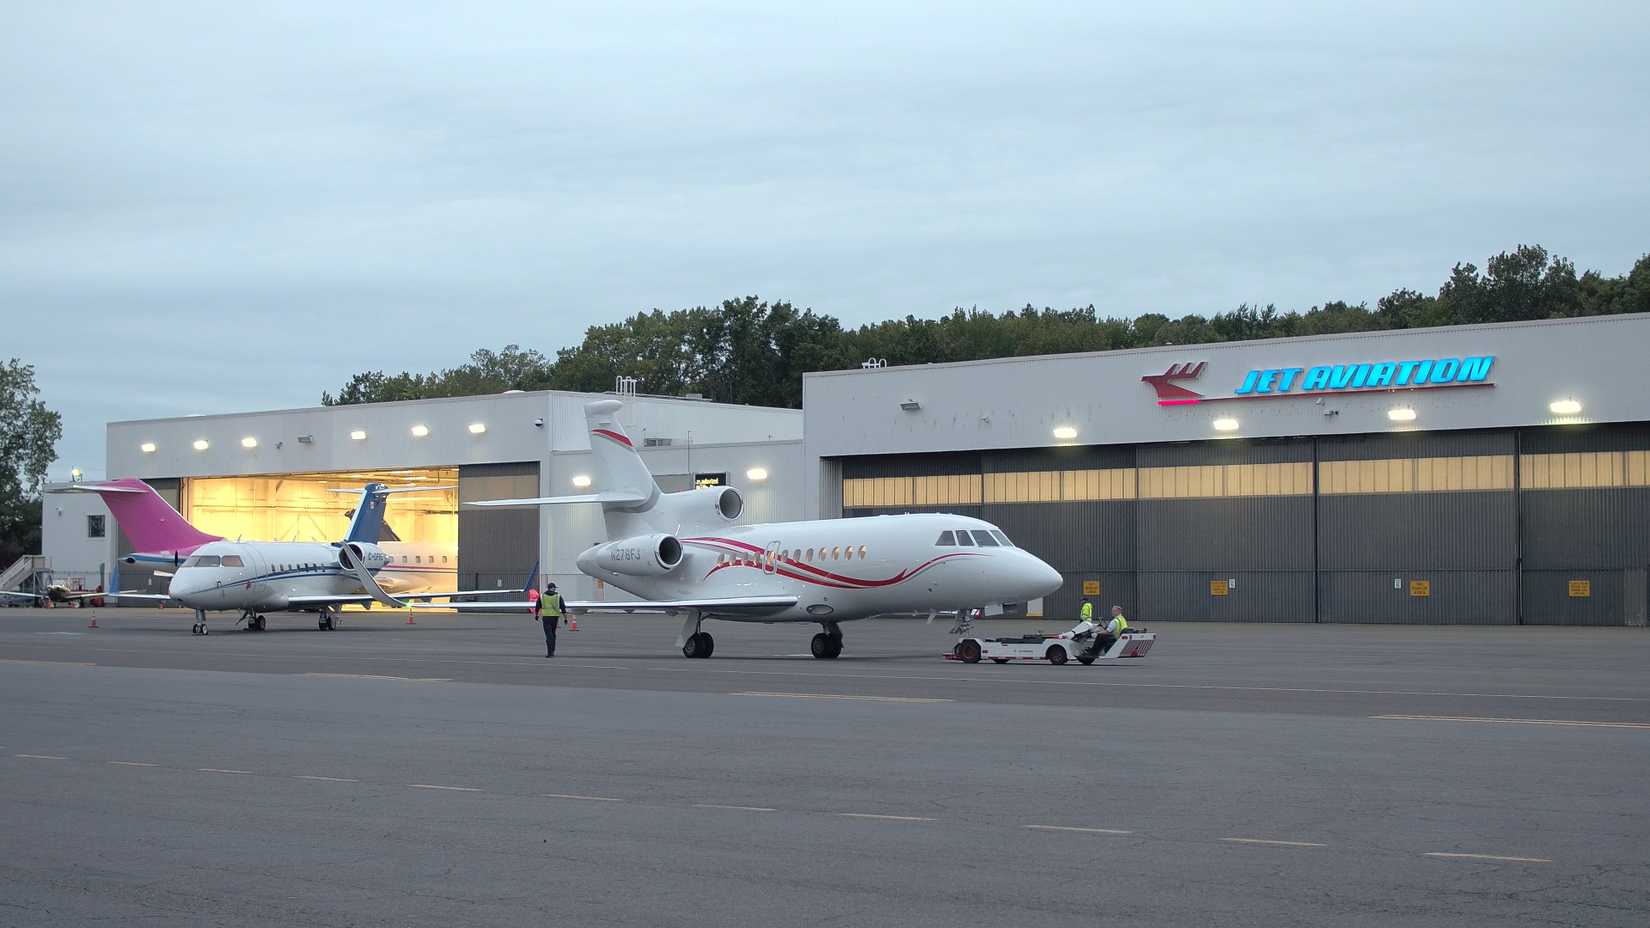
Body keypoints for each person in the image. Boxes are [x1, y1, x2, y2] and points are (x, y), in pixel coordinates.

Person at [536, 582, 564, 657]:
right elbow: (563, 607)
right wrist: (565, 618)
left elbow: (537, 606)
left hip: (546, 617)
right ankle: (552, 651)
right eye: (554, 587)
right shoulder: (558, 596)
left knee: (548, 635)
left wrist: (536, 615)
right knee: (553, 634)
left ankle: (550, 652)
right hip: (555, 617)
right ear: (552, 588)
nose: (555, 589)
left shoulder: (542, 596)